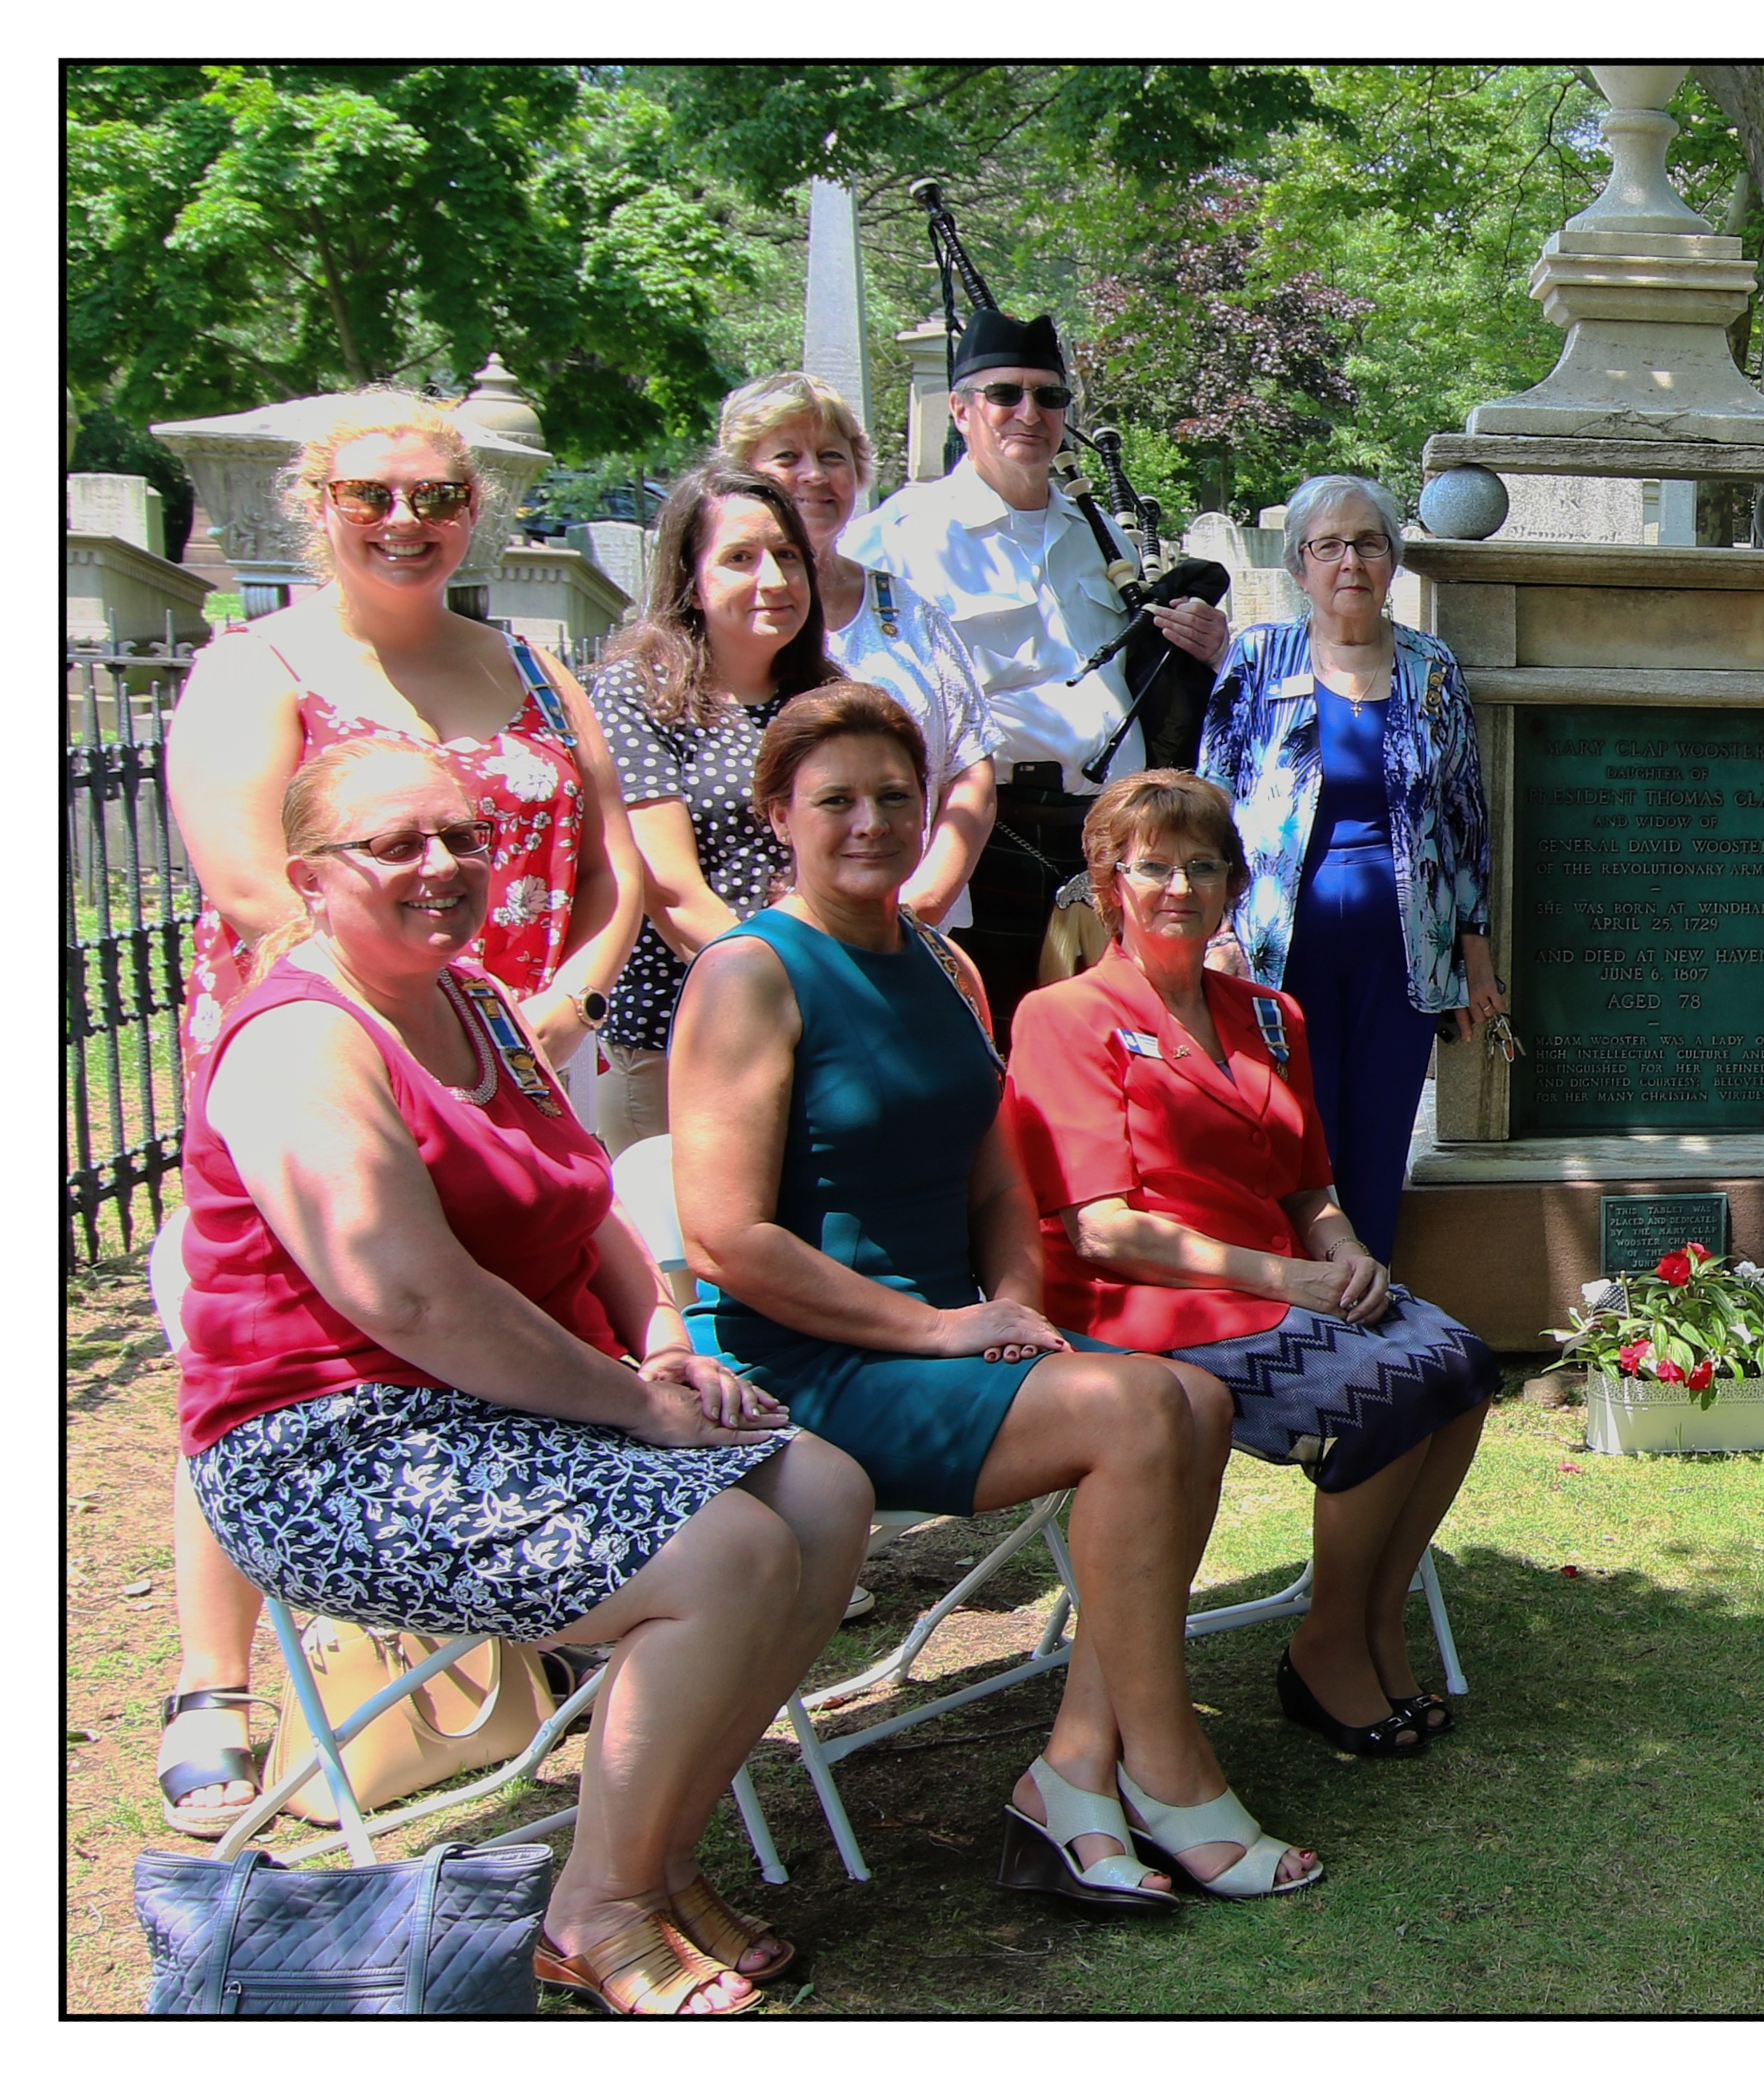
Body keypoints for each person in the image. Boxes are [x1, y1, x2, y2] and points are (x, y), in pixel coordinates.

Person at [175, 736, 866, 2015]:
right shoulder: (297, 1045)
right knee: (725, 1555)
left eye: (462, 837)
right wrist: (637, 1406)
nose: (442, 867)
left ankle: (646, 1863)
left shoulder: (480, 996)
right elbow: (412, 1297)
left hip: (518, 1405)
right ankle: (593, 1910)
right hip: (330, 1445)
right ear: (308, 877)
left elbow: (585, 1206)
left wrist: (663, 1339)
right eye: (395, 846)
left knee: (820, 1491)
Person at [672, 687, 1317, 1906]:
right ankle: (1162, 1773)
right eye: (837, 800)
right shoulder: (749, 974)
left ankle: (1071, 1770)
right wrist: (938, 1326)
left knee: (1197, 1402)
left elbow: (997, 1185)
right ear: (778, 815)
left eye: (895, 796)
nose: (871, 821)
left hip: (949, 1341)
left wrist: (1016, 1307)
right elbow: (724, 1236)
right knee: (1137, 1411)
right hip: (806, 1358)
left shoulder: (938, 959)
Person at [157, 386, 649, 1840]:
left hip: (512, 1050)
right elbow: (256, 884)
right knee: (279, 1340)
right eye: (372, 493)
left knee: (531, 1301)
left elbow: (611, 868)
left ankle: (540, 1605)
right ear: (314, 505)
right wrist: (404, 1027)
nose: (406, 520)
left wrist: (554, 1000)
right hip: (335, 1059)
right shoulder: (258, 669)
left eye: (436, 495)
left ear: (473, 510)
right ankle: (213, 1683)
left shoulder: (532, 666)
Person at [1004, 769, 1497, 1756]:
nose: (1179, 887)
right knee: (1391, 1389)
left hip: (1283, 1280)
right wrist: (1290, 1281)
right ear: (1109, 885)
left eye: (1203, 866)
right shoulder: (1065, 1018)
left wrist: (1348, 1253)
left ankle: (1370, 1619)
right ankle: (1324, 1648)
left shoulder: (1271, 1017)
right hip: (1140, 1299)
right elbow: (1103, 1231)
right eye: (1152, 868)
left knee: (1465, 1367)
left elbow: (1308, 1187)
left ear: (1236, 883)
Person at [842, 309, 1231, 1017]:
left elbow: (1135, 668)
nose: (1030, 412)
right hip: (991, 843)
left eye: (1050, 396)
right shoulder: (898, 539)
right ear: (960, 409)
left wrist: (1200, 642)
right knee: (992, 1053)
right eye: (1005, 394)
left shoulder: (1097, 531)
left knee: (1115, 1053)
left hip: (1113, 836)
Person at [1195, 474, 1503, 1262]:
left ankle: (1372, 1313)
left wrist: (1475, 953)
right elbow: (1209, 805)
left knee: (1376, 1131)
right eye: (1328, 546)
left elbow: (1466, 816)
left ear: (1392, 560)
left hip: (1401, 950)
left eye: (1368, 542)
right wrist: (1217, 930)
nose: (1350, 562)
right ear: (1300, 565)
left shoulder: (1432, 670)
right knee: (1293, 1130)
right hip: (1275, 948)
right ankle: (1299, 1310)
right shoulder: (1258, 660)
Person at [581, 466, 837, 1146]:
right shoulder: (636, 694)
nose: (774, 580)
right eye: (739, 558)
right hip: (684, 1041)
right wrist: (804, 995)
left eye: (788, 556)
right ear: (690, 579)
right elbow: (670, 891)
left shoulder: (829, 697)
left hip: (822, 1033)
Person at [716, 370, 1001, 931]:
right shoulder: (715, 620)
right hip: (745, 941)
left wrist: (919, 907)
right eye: (786, 456)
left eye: (832, 456)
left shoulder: (909, 610)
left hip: (905, 934)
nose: (814, 475)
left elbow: (971, 770)